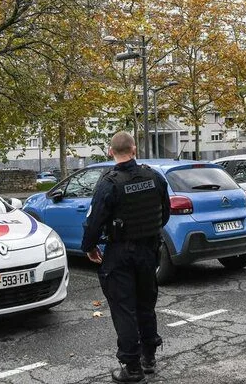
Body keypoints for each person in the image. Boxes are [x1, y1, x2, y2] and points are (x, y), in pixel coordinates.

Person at [82, 131, 170, 383]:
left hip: (120, 253)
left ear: (111, 152)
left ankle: (132, 368)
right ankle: (149, 357)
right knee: (145, 304)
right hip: (149, 250)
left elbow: (93, 221)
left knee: (124, 309)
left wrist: (89, 247)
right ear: (134, 150)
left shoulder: (109, 183)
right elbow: (165, 213)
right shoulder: (155, 177)